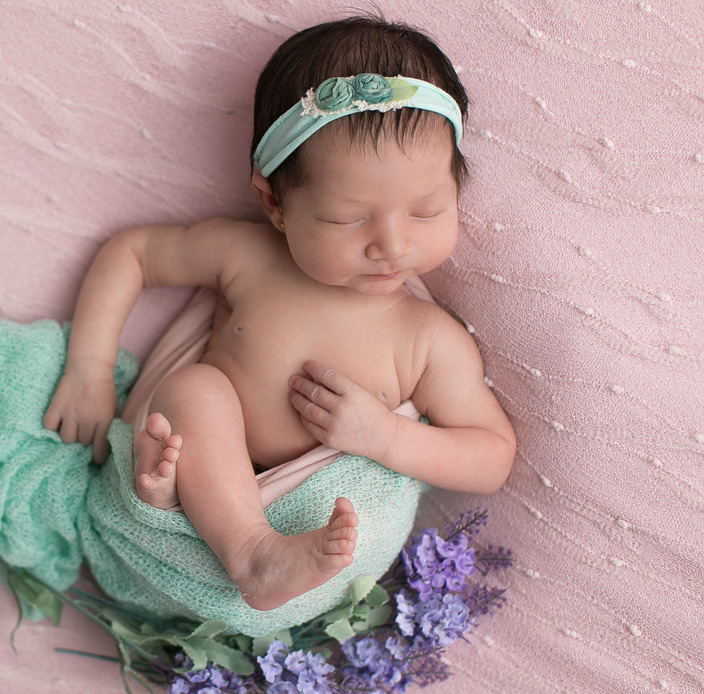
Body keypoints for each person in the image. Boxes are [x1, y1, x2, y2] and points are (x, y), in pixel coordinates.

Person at [42, 15, 516, 612]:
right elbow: (132, 254)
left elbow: (492, 455)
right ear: (277, 204)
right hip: (201, 492)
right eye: (348, 218)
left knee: (192, 413)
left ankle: (255, 551)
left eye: (426, 210)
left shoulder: (425, 338)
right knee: (194, 391)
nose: (392, 246)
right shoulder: (249, 258)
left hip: (312, 526)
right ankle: (238, 544)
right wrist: (88, 369)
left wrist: (386, 437)